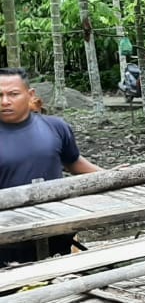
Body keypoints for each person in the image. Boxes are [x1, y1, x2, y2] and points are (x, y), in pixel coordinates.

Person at [0, 67, 102, 264]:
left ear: (29, 95)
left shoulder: (55, 127)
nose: (5, 101)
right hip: (6, 235)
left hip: (54, 227)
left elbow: (73, 162)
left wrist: (110, 175)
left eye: (13, 94)